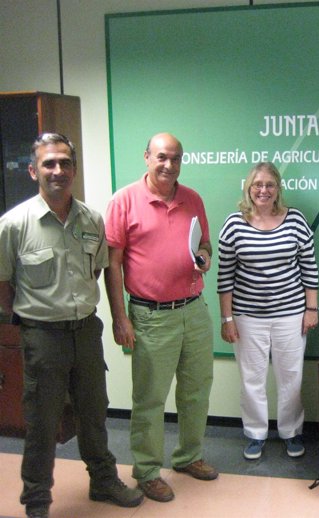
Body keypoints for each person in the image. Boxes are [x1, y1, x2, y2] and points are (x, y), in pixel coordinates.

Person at [0, 133, 144, 518]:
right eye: (48, 163)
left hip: (85, 332)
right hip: (42, 336)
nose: (57, 170)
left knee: (94, 412)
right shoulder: (13, 225)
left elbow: (96, 271)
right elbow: (3, 283)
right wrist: (29, 321)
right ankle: (36, 499)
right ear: (34, 170)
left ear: (74, 170)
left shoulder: (92, 219)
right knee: (42, 423)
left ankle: (103, 480)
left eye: (64, 163)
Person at [104, 133, 217, 503]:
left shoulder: (192, 199)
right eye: (162, 157)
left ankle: (188, 457)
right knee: (150, 399)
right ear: (147, 157)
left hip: (194, 311)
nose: (169, 165)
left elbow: (205, 246)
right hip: (150, 316)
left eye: (176, 158)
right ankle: (148, 471)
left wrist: (204, 257)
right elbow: (113, 263)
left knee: (196, 391)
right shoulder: (124, 201)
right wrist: (121, 318)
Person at [217, 161, 319, 460]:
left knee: (291, 376)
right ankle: (255, 433)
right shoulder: (234, 224)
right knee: (252, 378)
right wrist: (227, 319)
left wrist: (310, 308)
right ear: (249, 189)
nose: (263, 190)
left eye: (269, 185)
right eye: (257, 185)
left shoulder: (296, 221)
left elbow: (309, 268)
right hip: (248, 317)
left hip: (290, 314)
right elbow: (225, 277)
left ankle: (290, 432)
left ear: (278, 190)